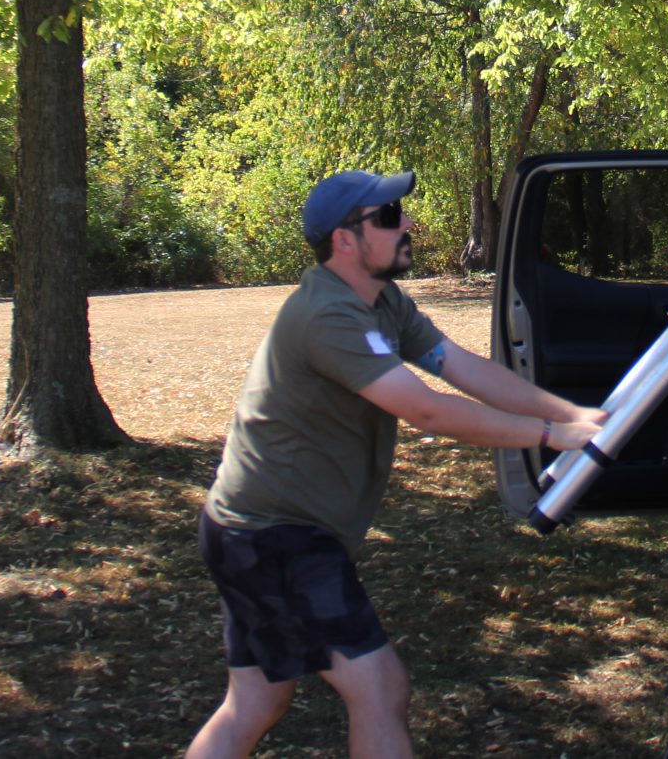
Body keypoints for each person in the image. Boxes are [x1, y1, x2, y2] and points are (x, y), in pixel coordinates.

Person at [186, 170, 607, 759]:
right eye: (387, 217)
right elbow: (428, 412)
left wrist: (579, 415)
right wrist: (551, 435)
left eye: (400, 212)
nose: (407, 223)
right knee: (379, 689)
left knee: (257, 702)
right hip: (271, 536)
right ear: (344, 240)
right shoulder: (327, 317)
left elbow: (463, 369)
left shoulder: (382, 301)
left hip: (262, 532)